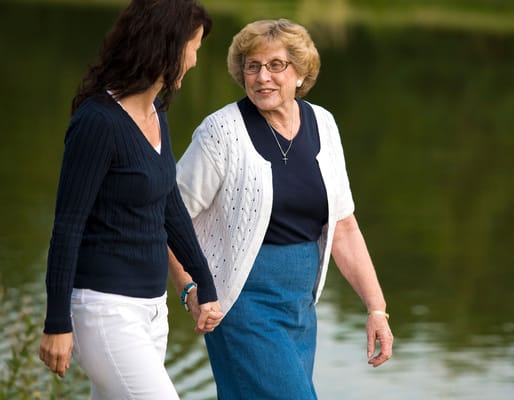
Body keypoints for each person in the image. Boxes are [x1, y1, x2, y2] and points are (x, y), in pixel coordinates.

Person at [169, 18, 393, 398]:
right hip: (240, 301)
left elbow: (344, 226)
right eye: (252, 66)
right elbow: (168, 217)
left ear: (301, 73)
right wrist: (189, 287)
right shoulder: (221, 131)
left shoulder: (323, 124)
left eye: (276, 65)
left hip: (300, 307)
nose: (262, 78)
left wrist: (376, 308)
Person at [38, 1, 223, 399]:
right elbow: (68, 227)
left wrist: (203, 283)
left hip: (152, 309)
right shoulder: (97, 122)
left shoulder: (156, 114)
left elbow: (169, 204)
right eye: (193, 47)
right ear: (168, 47)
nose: (194, 60)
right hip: (106, 310)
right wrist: (56, 323)